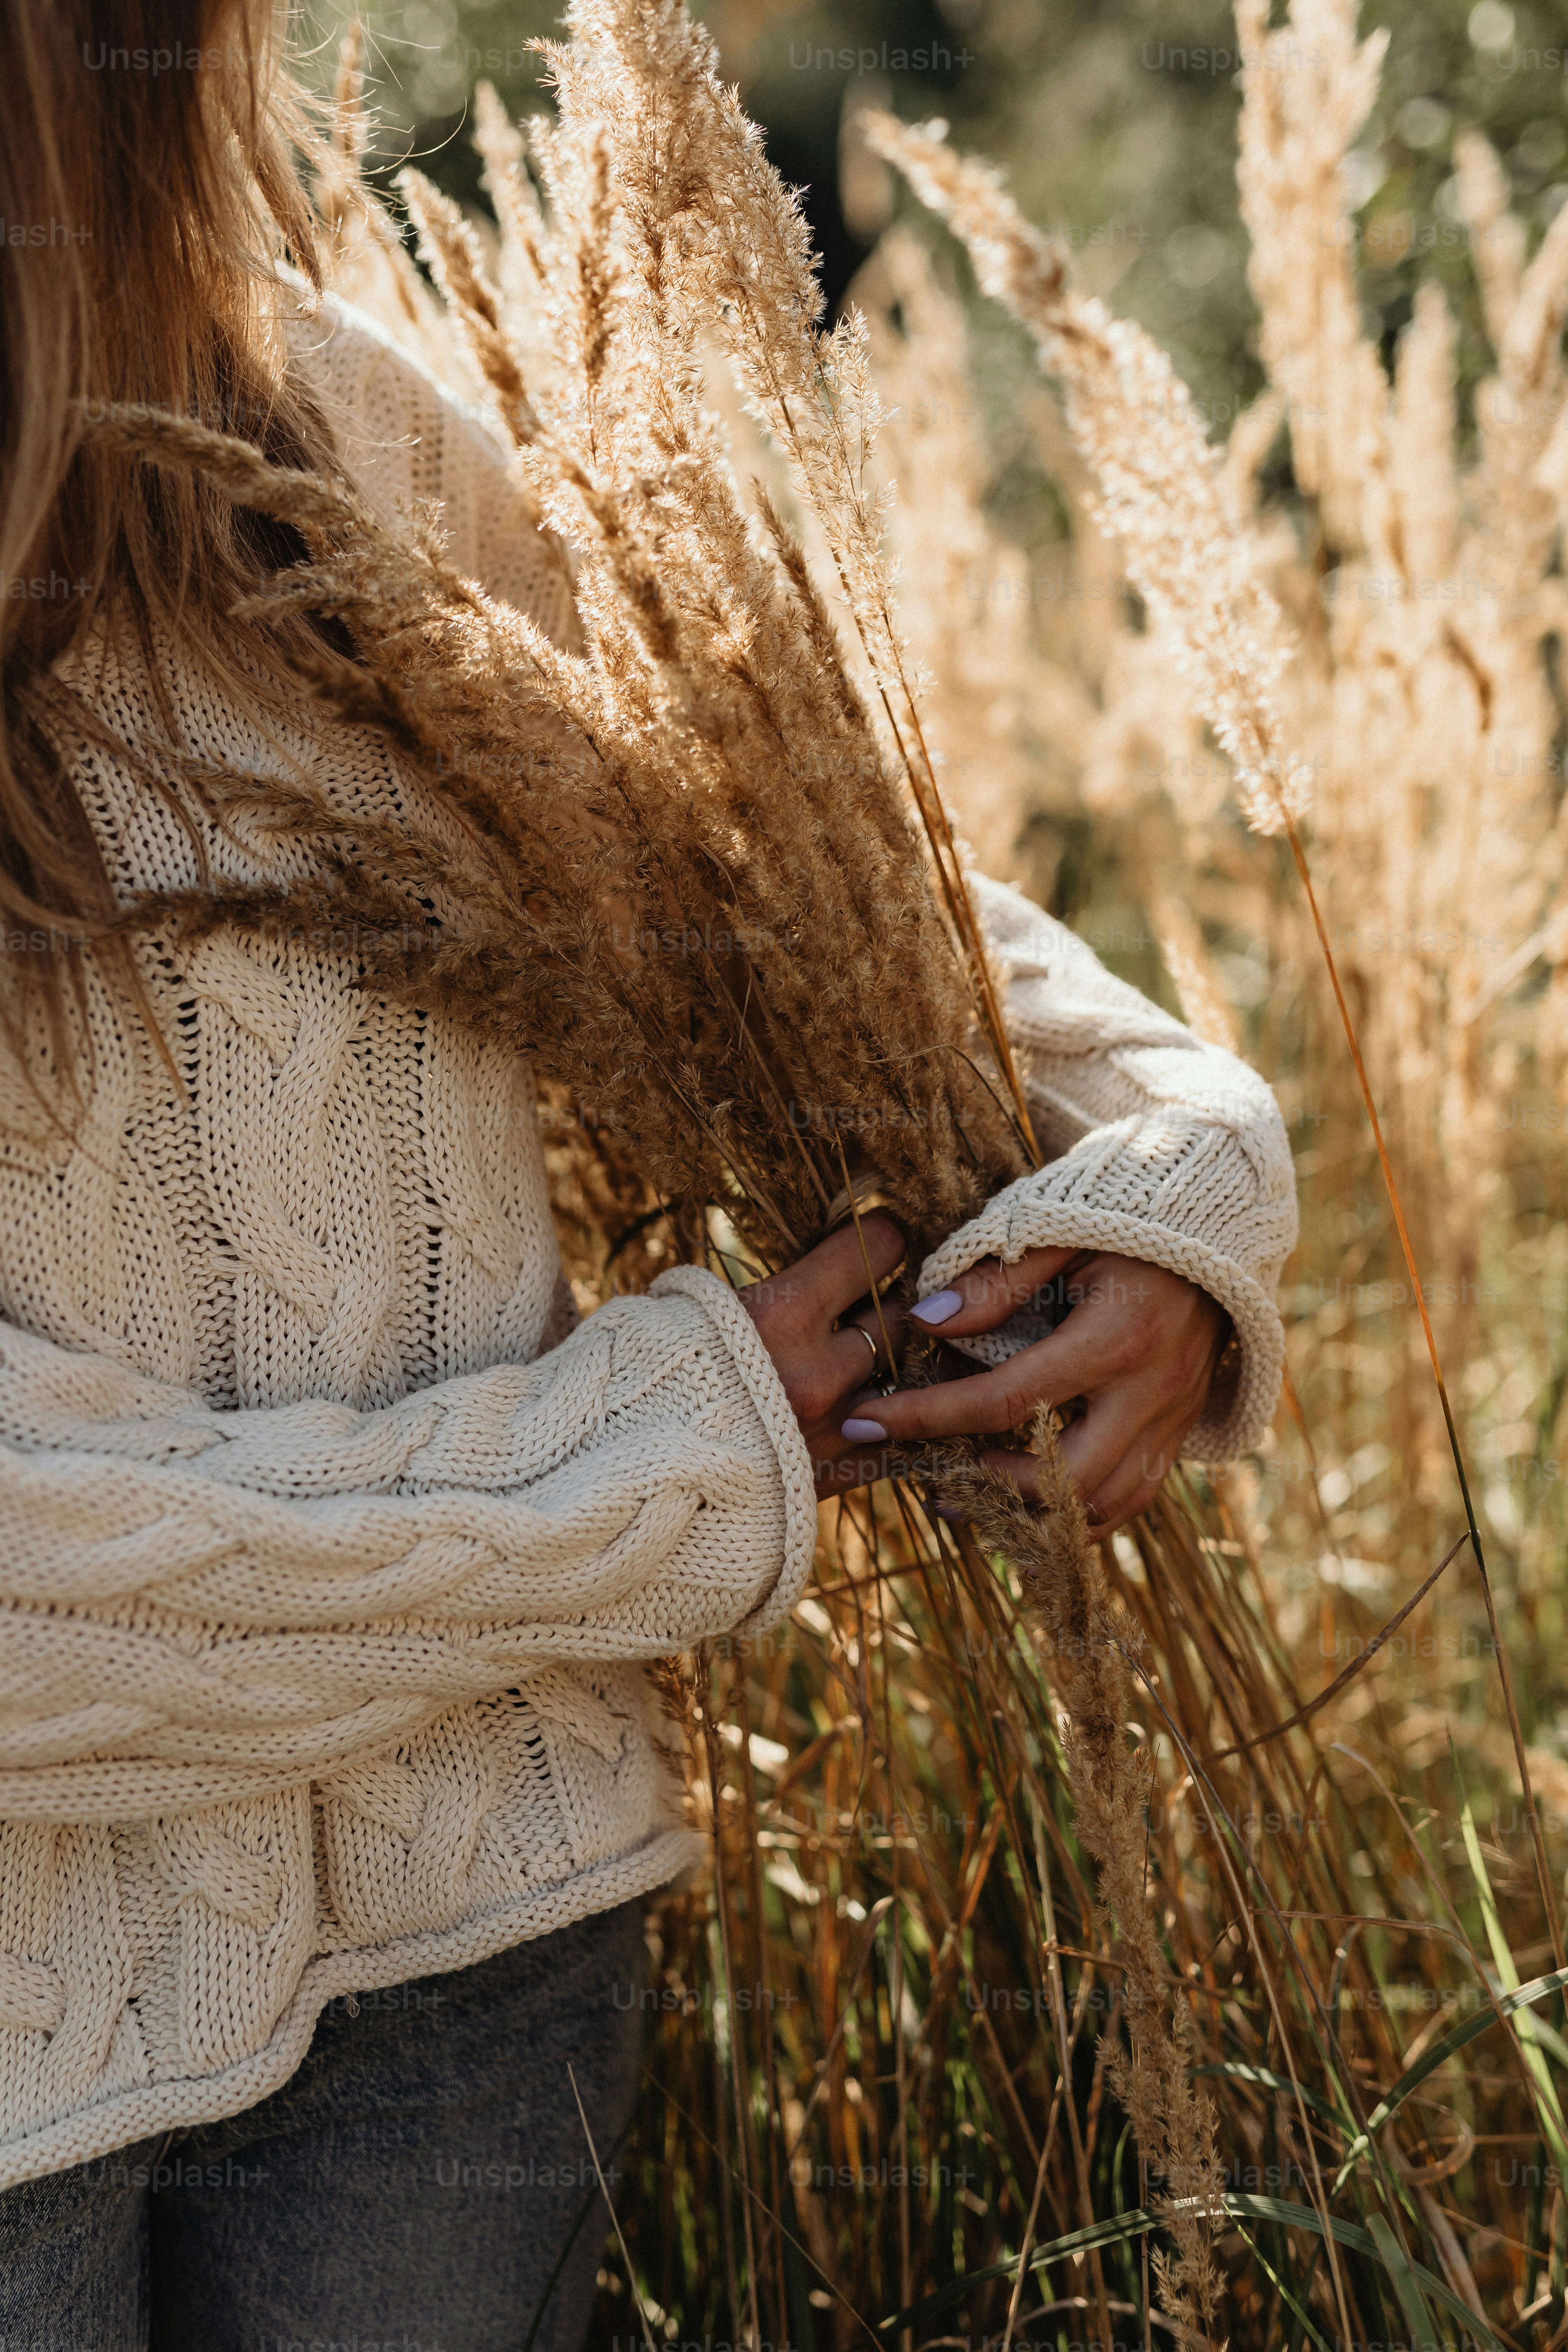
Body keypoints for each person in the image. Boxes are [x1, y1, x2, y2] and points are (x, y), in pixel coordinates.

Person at [0, 4, 1297, 2345]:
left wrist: (1178, 1159)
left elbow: (781, 900)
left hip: (478, 1946)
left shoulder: (343, 428)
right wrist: (632, 1479)